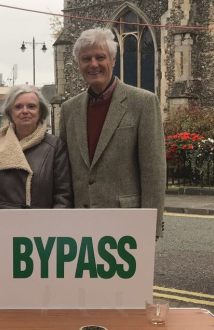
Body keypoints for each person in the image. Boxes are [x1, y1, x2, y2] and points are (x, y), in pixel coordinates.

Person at [58, 27, 166, 237]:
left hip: (126, 225)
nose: (93, 64)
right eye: (86, 59)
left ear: (113, 60)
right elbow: (63, 171)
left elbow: (154, 172)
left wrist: (150, 228)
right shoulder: (68, 109)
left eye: (100, 57)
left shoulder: (143, 102)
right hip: (79, 224)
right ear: (79, 65)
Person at [0, 85, 73, 300]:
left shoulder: (55, 146)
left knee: (36, 303)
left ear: (41, 112)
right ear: (10, 112)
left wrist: (53, 229)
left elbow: (63, 195)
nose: (25, 111)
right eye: (19, 106)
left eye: (31, 106)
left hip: (40, 237)